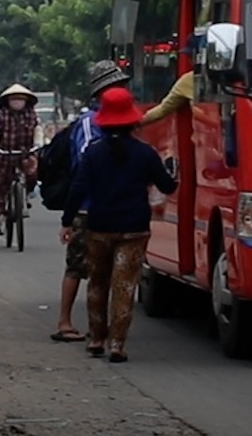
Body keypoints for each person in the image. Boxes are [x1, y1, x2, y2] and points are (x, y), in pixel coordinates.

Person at [61, 87, 177, 362]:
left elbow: (77, 189)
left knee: (98, 283)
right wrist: (174, 172)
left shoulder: (93, 153)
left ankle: (96, 339)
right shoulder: (145, 153)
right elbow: (167, 185)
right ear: (132, 120)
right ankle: (117, 344)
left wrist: (67, 222)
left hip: (99, 226)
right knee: (124, 287)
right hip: (134, 228)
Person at [52, 60, 129, 343]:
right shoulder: (88, 123)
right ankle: (64, 322)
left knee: (107, 271)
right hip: (88, 206)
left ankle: (102, 330)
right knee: (78, 265)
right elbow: (85, 165)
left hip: (115, 205)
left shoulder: (125, 122)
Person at [0, 83, 45, 237]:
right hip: (5, 153)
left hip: (26, 153)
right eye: (14, 99)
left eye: (20, 99)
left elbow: (38, 130)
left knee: (33, 174)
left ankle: (25, 195)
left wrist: (38, 143)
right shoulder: (1, 115)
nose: (17, 102)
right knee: (2, 185)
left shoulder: (32, 114)